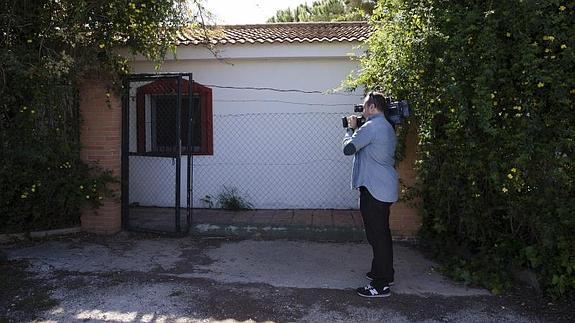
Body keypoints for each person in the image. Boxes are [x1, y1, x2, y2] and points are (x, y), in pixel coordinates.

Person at [342, 91, 398, 298]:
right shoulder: (386, 126)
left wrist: (350, 129)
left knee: (377, 235)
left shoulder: (371, 127)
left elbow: (348, 149)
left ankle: (381, 284)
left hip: (375, 190)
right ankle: (384, 273)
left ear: (373, 107)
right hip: (383, 188)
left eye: (365, 106)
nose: (362, 110)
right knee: (381, 233)